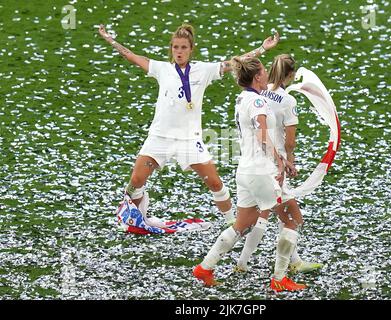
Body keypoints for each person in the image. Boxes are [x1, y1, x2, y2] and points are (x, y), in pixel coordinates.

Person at [97, 23, 279, 226]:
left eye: (183, 47)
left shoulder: (204, 70)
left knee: (215, 182)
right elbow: (130, 56)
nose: (179, 51)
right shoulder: (162, 68)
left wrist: (262, 48)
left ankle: (233, 226)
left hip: (189, 140)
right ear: (171, 49)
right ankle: (138, 218)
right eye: (175, 47)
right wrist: (109, 39)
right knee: (136, 181)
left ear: (191, 49)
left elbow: (234, 64)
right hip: (160, 137)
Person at [193, 56, 306, 292]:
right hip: (262, 171)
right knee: (292, 219)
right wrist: (281, 160)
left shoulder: (243, 98)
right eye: (264, 71)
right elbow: (262, 136)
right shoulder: (257, 103)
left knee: (242, 225)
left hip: (245, 170)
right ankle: (279, 278)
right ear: (257, 77)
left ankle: (205, 267)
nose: (267, 74)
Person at [234, 54, 323, 274]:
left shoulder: (258, 92)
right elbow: (290, 140)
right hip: (273, 164)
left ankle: (243, 263)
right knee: (289, 217)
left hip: (251, 161)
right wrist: (289, 161)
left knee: (260, 216)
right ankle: (282, 271)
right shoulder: (288, 100)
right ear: (291, 75)